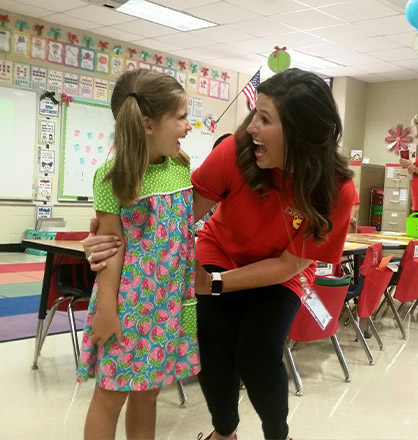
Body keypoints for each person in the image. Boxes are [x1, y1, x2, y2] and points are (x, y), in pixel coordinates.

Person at [83, 68, 355, 440]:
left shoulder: (335, 189)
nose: (250, 127)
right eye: (254, 114)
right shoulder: (236, 150)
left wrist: (213, 284)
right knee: (211, 345)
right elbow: (173, 215)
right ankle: (223, 432)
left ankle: (279, 434)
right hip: (208, 259)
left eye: (264, 119)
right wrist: (106, 229)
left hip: (277, 274)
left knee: (258, 353)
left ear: (299, 132)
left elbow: (289, 265)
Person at [76, 68, 200, 440]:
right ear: (148, 124)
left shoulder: (180, 165)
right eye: (180, 117)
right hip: (126, 307)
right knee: (110, 395)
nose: (188, 125)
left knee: (147, 395)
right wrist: (106, 311)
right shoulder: (111, 176)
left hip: (167, 306)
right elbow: (110, 250)